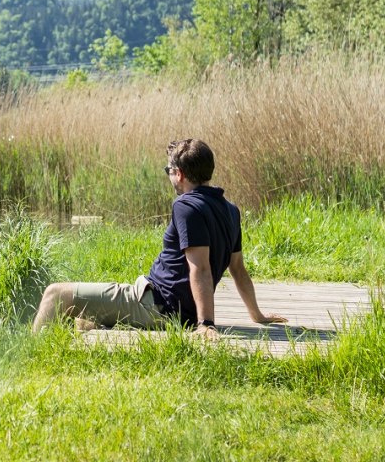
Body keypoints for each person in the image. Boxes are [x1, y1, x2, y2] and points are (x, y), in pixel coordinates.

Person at [32, 138, 286, 333]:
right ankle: (67, 345)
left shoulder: (186, 205)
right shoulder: (230, 210)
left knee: (56, 294)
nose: (169, 177)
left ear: (180, 174)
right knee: (82, 322)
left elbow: (201, 267)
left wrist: (206, 324)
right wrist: (257, 316)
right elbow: (238, 269)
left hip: (157, 305)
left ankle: (33, 359)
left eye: (169, 171)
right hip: (172, 308)